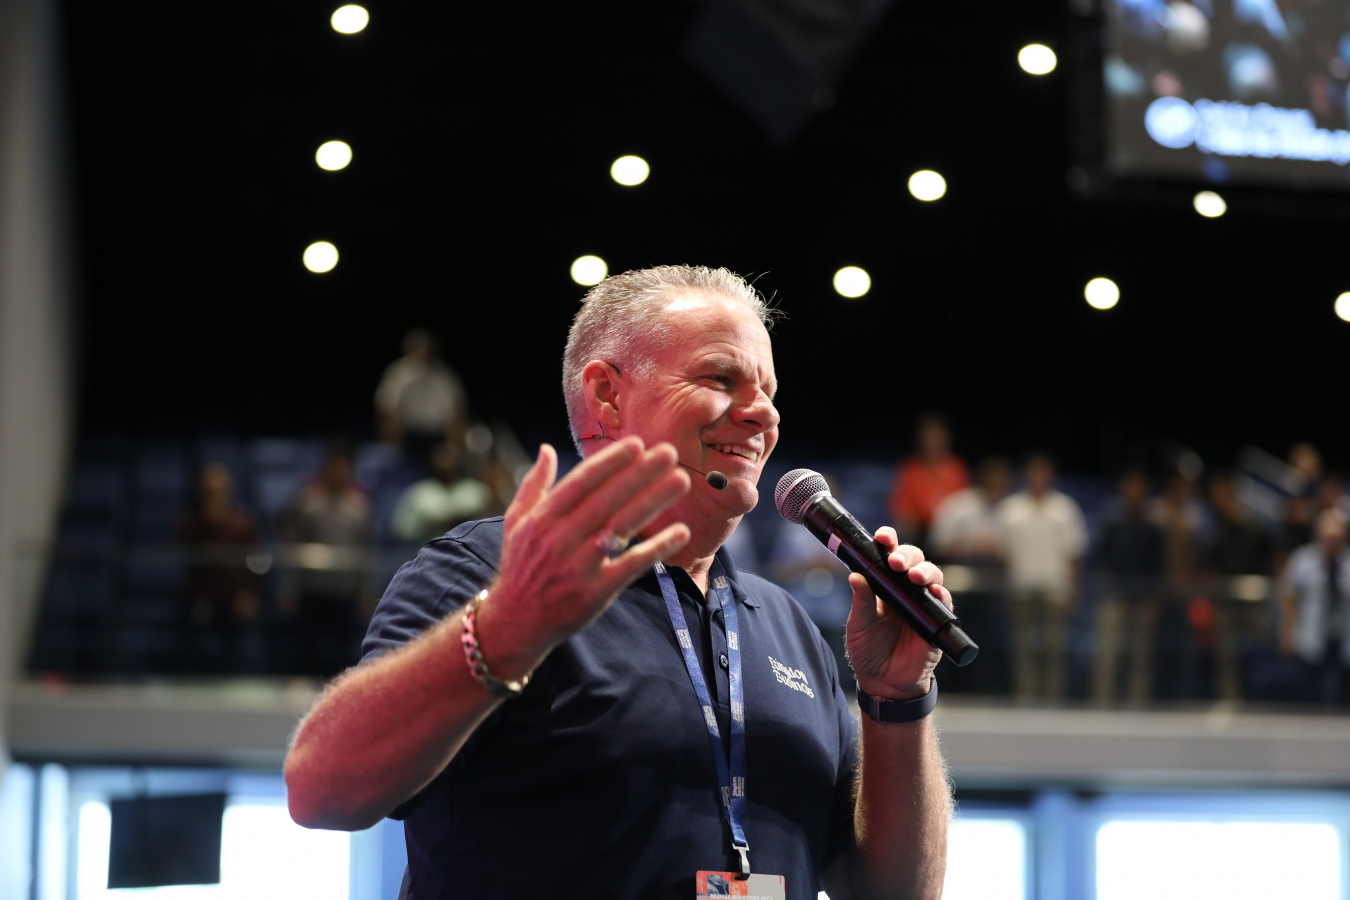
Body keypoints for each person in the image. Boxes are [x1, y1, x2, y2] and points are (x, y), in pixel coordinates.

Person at [285, 266, 953, 900]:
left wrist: (897, 700)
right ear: (607, 395)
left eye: (769, 392)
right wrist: (506, 628)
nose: (764, 415)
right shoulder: (486, 571)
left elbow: (895, 892)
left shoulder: (788, 628)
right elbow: (322, 790)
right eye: (721, 378)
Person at [278, 443, 376, 677]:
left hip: (344, 591)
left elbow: (367, 551)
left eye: (344, 468)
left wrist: (366, 592)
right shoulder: (308, 504)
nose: (338, 473)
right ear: (326, 469)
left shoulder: (360, 508)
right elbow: (294, 546)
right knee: (307, 649)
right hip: (312, 589)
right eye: (334, 467)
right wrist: (288, 588)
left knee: (342, 653)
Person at [996, 453, 1087, 703]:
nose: (1038, 478)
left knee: (1054, 648)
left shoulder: (1064, 508)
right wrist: (1007, 588)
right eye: (1033, 474)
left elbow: (1074, 552)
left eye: (1043, 474)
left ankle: (1052, 698)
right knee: (1023, 648)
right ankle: (1025, 696)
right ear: (1027, 476)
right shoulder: (1011, 509)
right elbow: (1003, 555)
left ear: (1050, 477)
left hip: (1055, 588)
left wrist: (1072, 588)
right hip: (1021, 588)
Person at [930, 457, 1012, 694]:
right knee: (950, 635)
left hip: (990, 583)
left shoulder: (1009, 510)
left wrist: (995, 551)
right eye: (992, 480)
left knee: (986, 640)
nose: (996, 485)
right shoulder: (959, 505)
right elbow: (938, 544)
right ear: (982, 479)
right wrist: (972, 545)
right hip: (958, 581)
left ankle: (982, 691)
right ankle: (942, 689)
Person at [177, 462, 260, 673]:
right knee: (194, 648)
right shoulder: (192, 522)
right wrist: (207, 520)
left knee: (232, 651)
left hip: (233, 598)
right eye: (210, 489)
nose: (215, 493)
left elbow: (254, 562)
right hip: (200, 596)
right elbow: (182, 552)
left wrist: (247, 593)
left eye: (219, 488)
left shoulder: (242, 523)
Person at [1092, 470, 1165, 706]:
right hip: (1115, 596)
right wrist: (1106, 584)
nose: (1134, 494)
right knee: (1108, 653)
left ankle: (1137, 702)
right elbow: (1101, 557)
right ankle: (1103, 701)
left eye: (1138, 490)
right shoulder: (1113, 523)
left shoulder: (1152, 527)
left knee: (1140, 656)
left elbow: (1158, 565)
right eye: (1129, 489)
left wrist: (1154, 599)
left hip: (1143, 599)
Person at [1206, 472, 1276, 701]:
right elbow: (1211, 566)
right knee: (1226, 653)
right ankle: (1229, 697)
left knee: (1259, 649)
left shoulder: (1256, 528)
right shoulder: (1219, 530)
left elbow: (1274, 560)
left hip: (1255, 599)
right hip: (1226, 600)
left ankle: (1261, 696)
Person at [1280, 509, 1350, 705]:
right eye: (1328, 538)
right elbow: (1290, 600)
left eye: (1337, 538)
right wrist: (1286, 634)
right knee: (1310, 694)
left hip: (1345, 637)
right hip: (1311, 636)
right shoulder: (1302, 561)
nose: (1332, 543)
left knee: (1344, 697)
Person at [374, 328, 469, 461]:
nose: (423, 354)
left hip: (437, 436)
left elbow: (456, 413)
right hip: (408, 435)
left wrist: (454, 446)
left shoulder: (444, 375)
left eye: (428, 350)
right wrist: (392, 442)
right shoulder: (397, 373)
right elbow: (386, 409)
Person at [390, 439, 497, 546]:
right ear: (432, 461)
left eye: (450, 458)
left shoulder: (475, 489)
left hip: (471, 546)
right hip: (429, 546)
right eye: (442, 458)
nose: (446, 463)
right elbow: (403, 528)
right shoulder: (419, 492)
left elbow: (489, 520)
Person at [887, 414, 969, 545]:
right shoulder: (910, 469)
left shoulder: (957, 468)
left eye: (937, 437)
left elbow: (966, 508)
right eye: (929, 438)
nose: (932, 443)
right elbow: (902, 511)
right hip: (921, 537)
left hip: (953, 537)